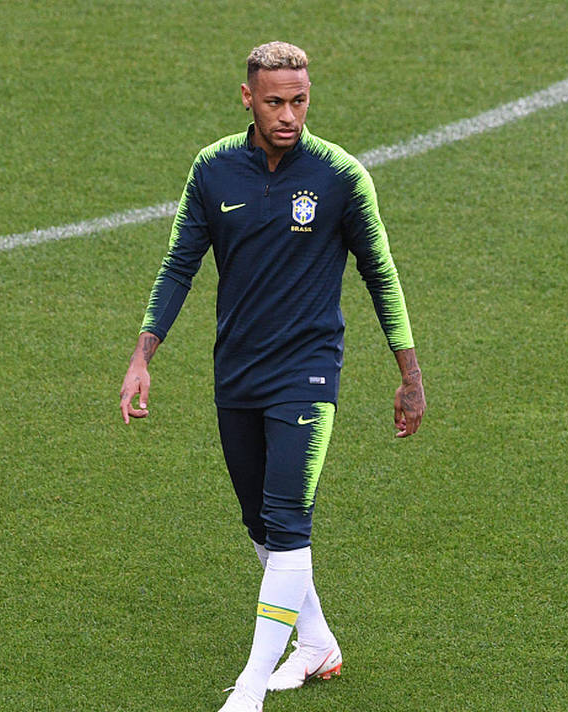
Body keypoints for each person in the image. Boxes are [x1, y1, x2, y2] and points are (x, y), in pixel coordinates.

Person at [117, 41, 424, 712]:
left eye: (300, 100)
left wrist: (410, 373)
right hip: (236, 372)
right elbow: (178, 266)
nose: (289, 115)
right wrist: (143, 357)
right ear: (248, 98)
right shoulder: (212, 169)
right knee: (260, 523)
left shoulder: (340, 176)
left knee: (287, 522)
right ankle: (316, 642)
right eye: (275, 101)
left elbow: (381, 275)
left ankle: (250, 688)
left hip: (307, 373)